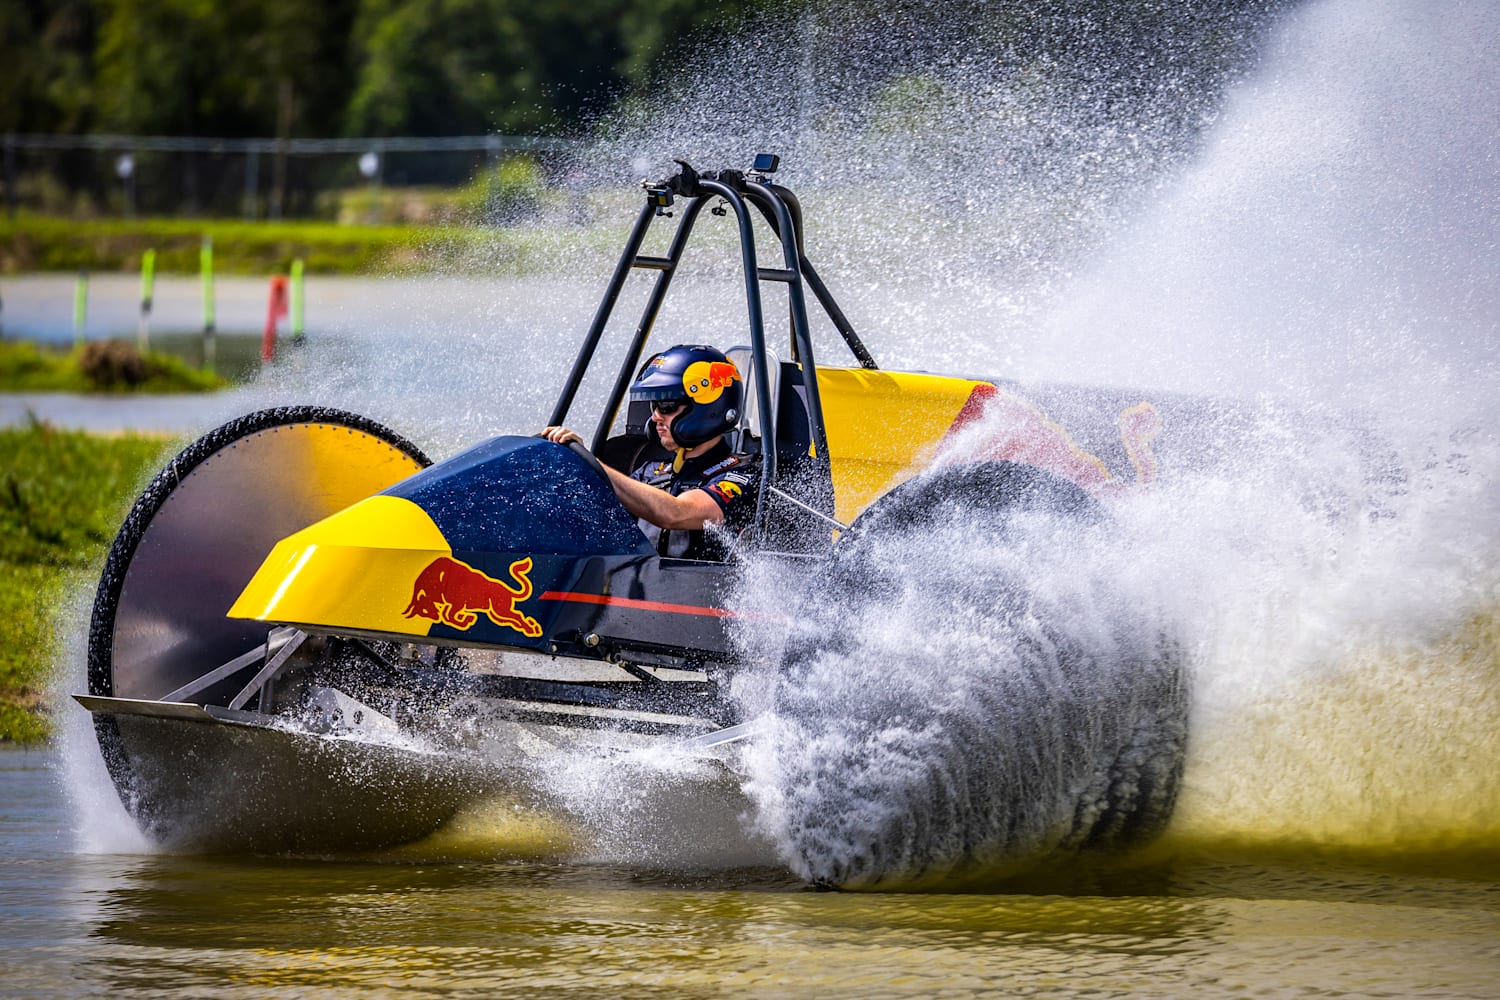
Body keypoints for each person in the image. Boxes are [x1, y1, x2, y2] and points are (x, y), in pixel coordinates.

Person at [543, 344, 759, 560]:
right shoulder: (651, 473)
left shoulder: (740, 476)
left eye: (667, 405)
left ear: (708, 408)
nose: (655, 416)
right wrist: (573, 467)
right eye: (655, 405)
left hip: (700, 591)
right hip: (633, 587)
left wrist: (595, 465)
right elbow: (594, 514)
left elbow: (675, 513)